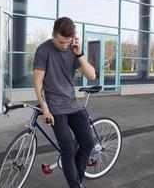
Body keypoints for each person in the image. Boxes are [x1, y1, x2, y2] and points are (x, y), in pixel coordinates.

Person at [33, 17, 96, 188]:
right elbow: (38, 83)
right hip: (54, 107)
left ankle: (78, 181)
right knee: (68, 147)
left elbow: (92, 76)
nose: (64, 46)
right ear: (52, 34)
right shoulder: (43, 50)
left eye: (67, 42)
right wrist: (45, 109)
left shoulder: (73, 49)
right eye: (61, 41)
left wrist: (79, 54)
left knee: (88, 142)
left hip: (73, 104)